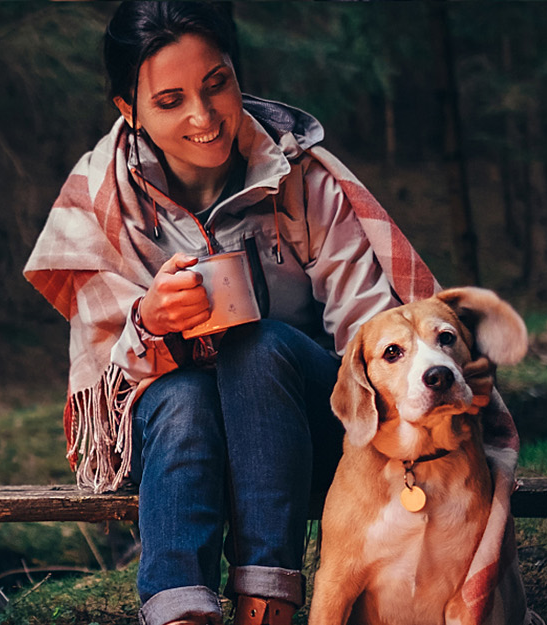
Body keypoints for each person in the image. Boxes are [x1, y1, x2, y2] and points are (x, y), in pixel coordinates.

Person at [22, 3, 442, 625]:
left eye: (217, 84)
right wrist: (149, 322)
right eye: (170, 101)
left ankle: (264, 605)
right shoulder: (98, 198)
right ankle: (180, 614)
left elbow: (374, 335)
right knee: (185, 395)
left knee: (259, 345)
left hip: (306, 430)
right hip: (174, 440)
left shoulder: (301, 179)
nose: (204, 117)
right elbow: (106, 387)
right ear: (128, 110)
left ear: (236, 74)